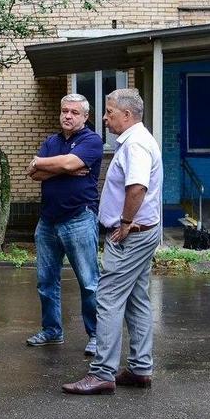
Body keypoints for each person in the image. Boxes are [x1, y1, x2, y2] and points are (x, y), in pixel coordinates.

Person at [63, 88, 163, 396]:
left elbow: (137, 188)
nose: (105, 118)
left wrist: (123, 223)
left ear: (127, 115)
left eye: (109, 112)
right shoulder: (138, 141)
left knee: (107, 298)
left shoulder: (136, 146)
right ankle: (140, 369)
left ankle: (102, 372)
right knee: (137, 299)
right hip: (142, 231)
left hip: (131, 235)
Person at [25, 94, 103, 356]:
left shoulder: (91, 140)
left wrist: (47, 163)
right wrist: (62, 167)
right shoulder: (52, 141)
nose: (67, 116)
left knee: (89, 282)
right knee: (46, 281)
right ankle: (51, 331)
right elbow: (33, 173)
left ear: (85, 117)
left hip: (79, 219)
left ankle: (96, 336)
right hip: (48, 221)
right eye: (64, 111)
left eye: (74, 112)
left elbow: (66, 162)